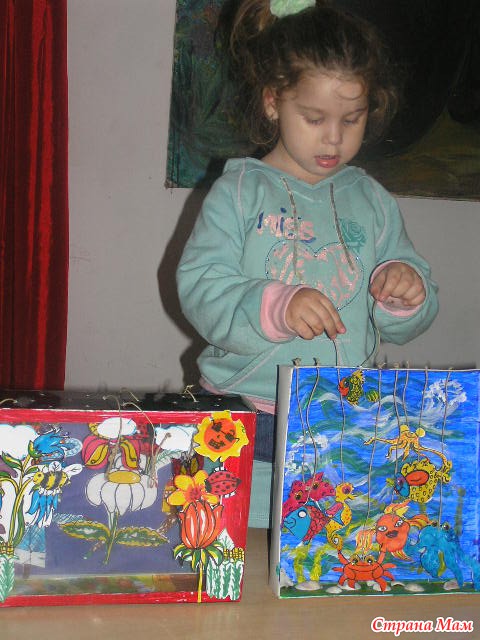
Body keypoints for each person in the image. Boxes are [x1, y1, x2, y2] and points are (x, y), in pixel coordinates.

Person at [176, 0, 439, 528]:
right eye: (315, 118)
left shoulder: (374, 201)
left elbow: (409, 310)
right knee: (232, 548)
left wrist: (404, 294)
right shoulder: (238, 191)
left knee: (326, 549)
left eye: (352, 119)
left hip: (343, 421)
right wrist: (275, 305)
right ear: (273, 101)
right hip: (243, 415)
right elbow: (201, 287)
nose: (334, 138)